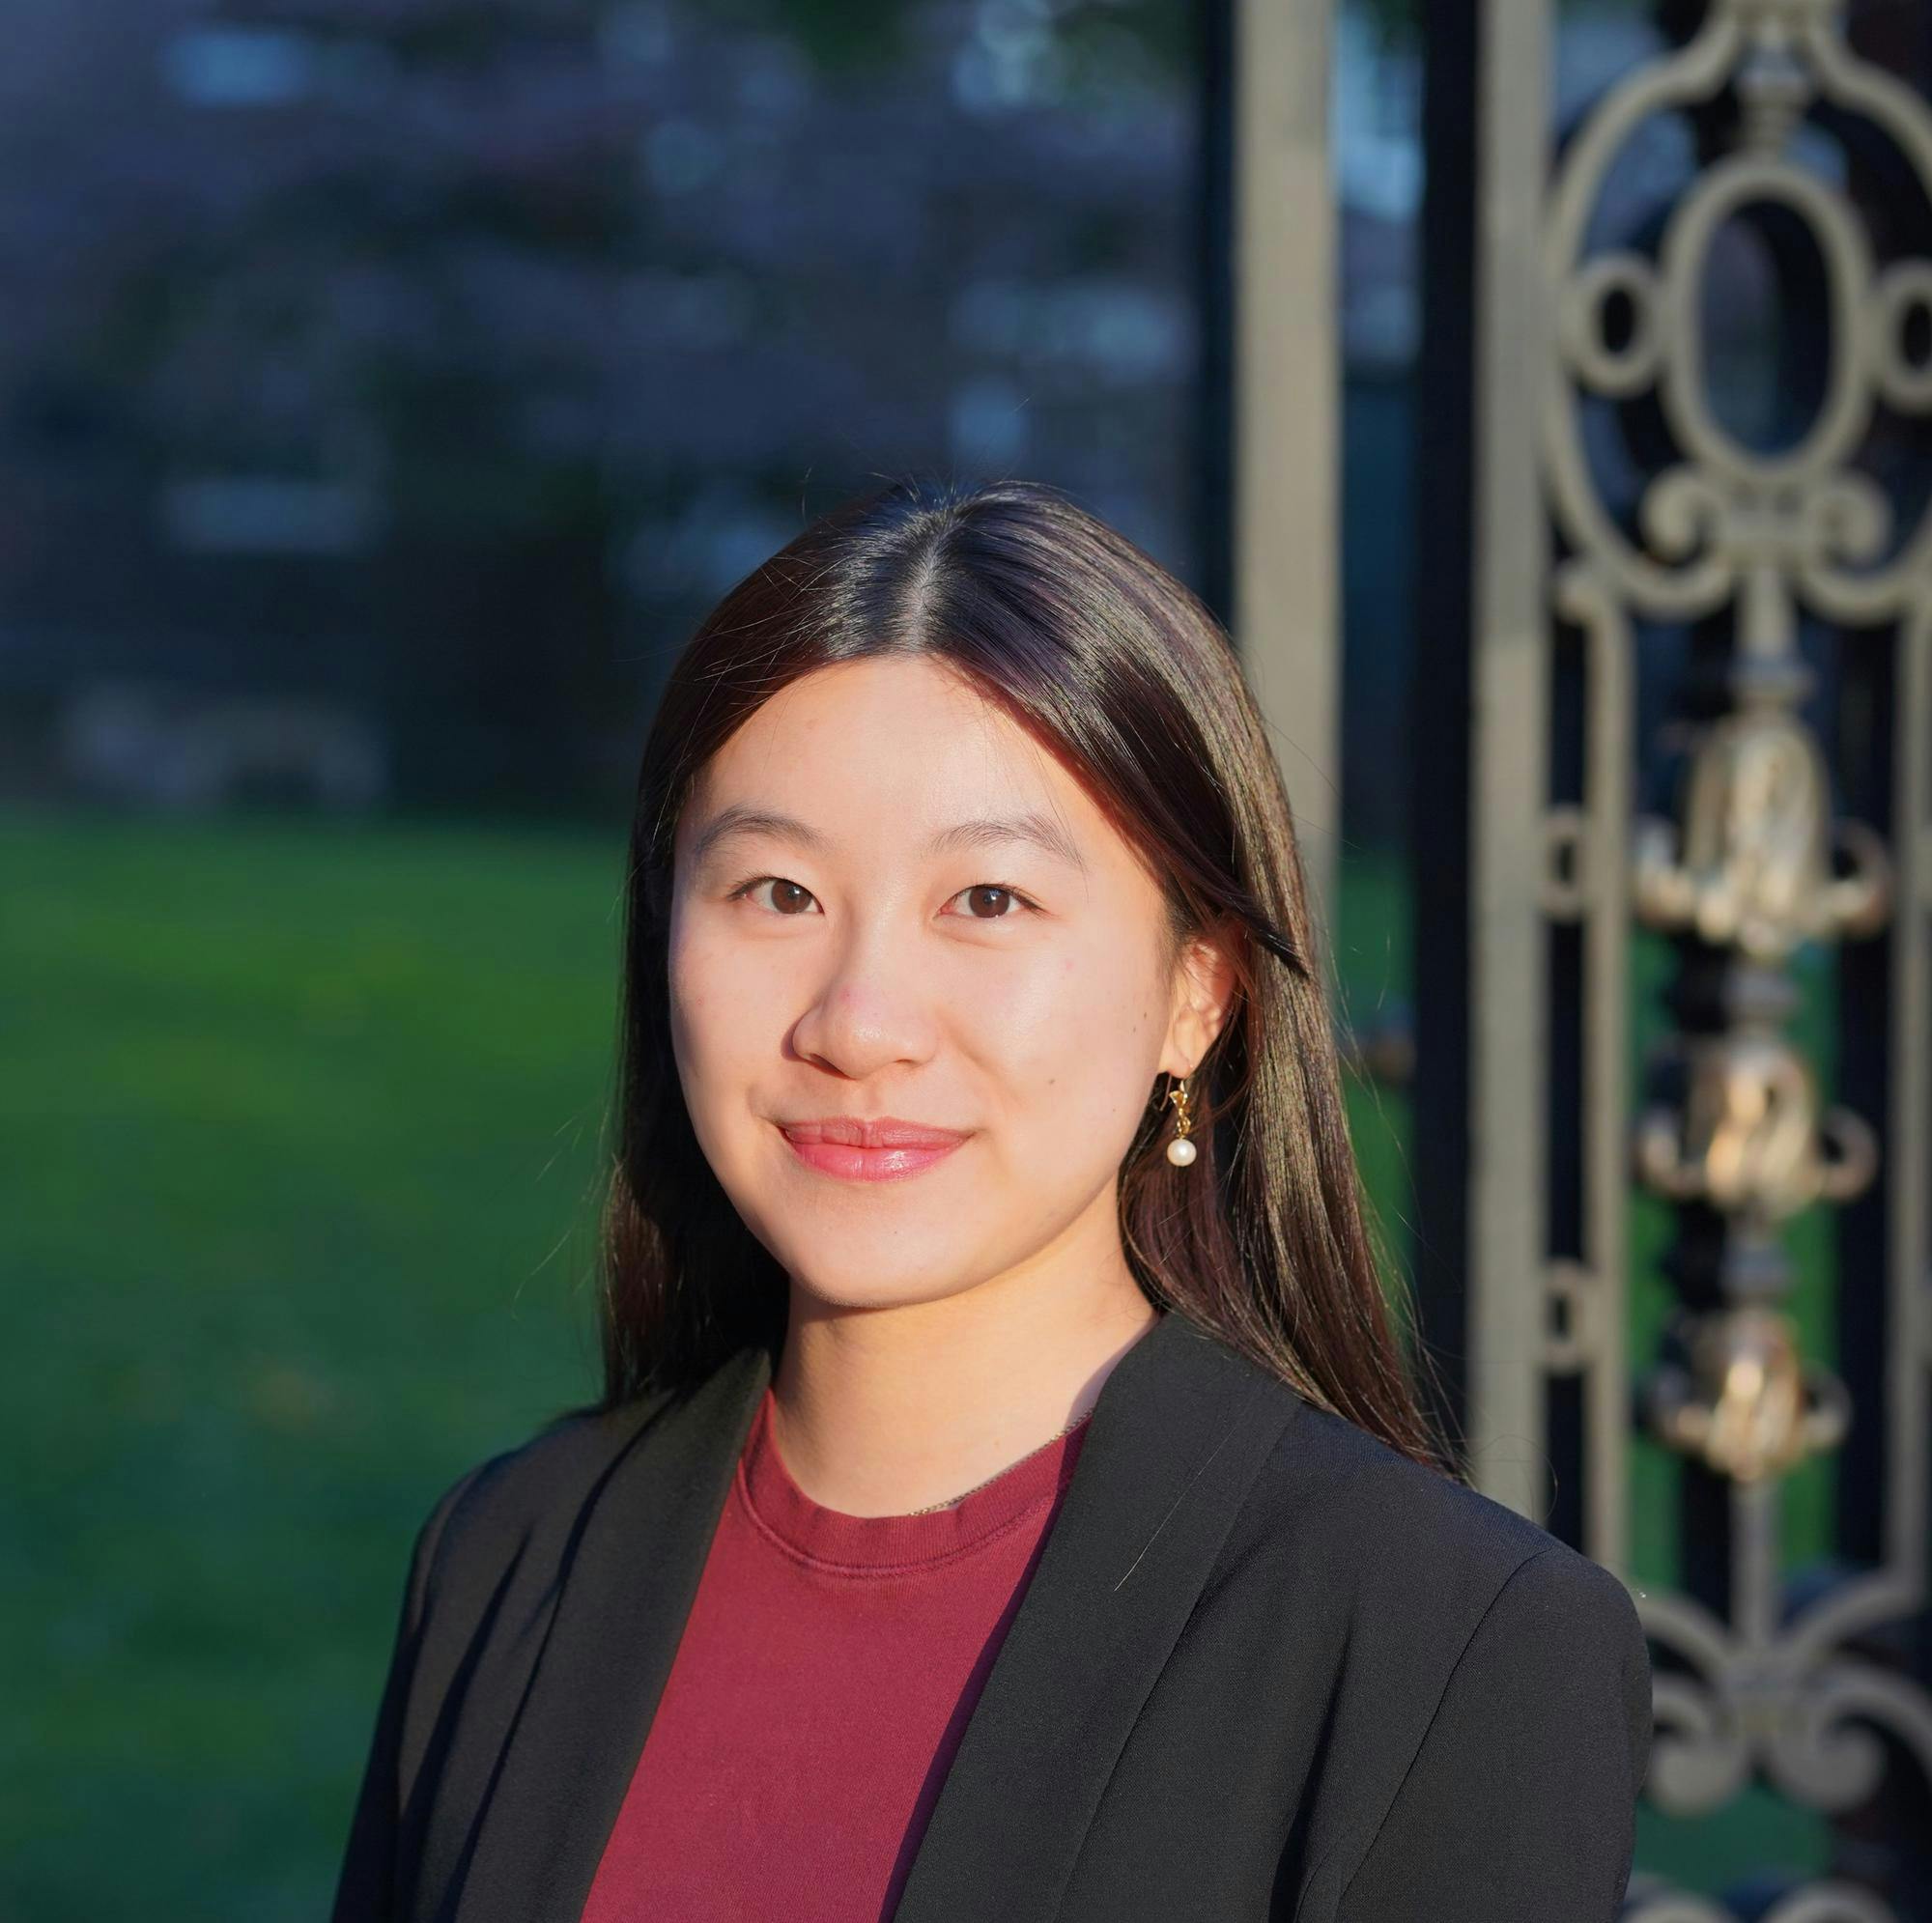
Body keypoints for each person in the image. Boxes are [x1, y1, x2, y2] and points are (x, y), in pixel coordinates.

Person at [329, 476, 1652, 1923]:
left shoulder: (1446, 1649)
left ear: (1196, 995)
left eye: (989, 902)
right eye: (775, 893)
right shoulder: (513, 1558)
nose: (861, 1020)